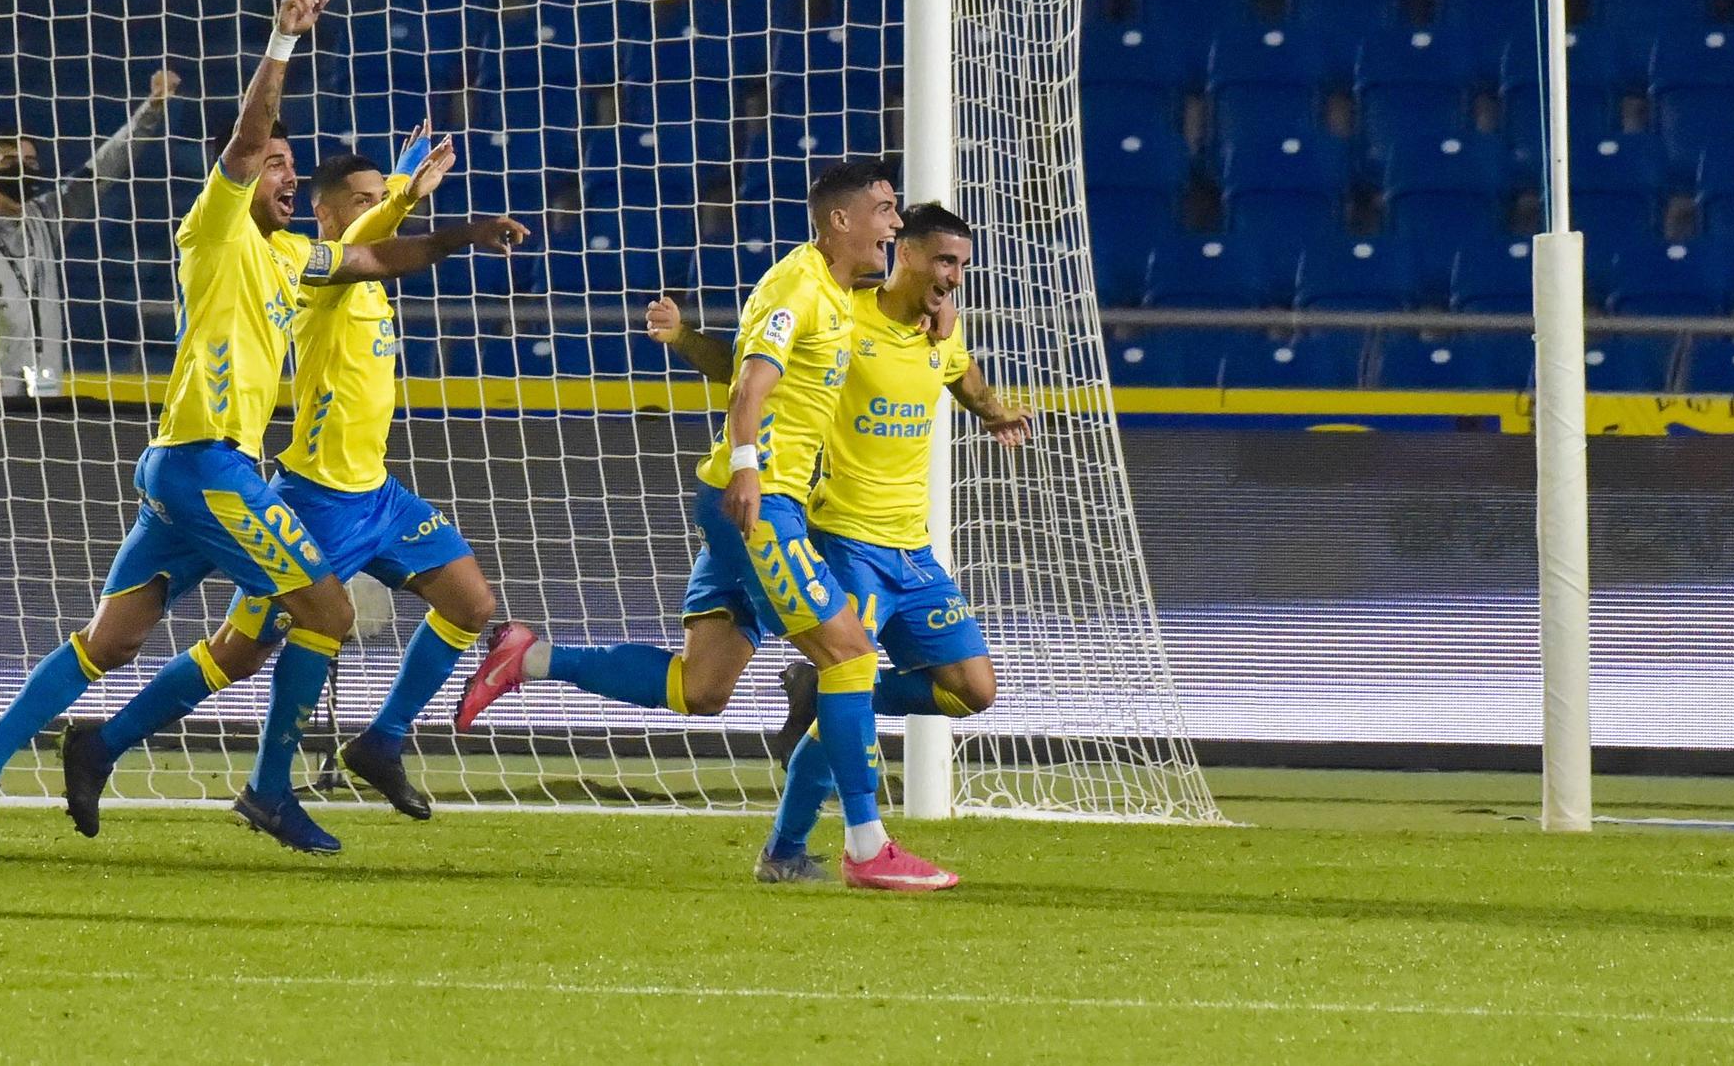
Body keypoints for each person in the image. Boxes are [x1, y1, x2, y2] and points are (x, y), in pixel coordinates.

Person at [0, 0, 528, 867]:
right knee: (322, 611)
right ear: (243, 174)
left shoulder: (293, 257)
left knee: (116, 637)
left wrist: (459, 232)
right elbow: (250, 140)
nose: (286, 175)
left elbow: (372, 254)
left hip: (191, 465)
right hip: (212, 466)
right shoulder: (216, 225)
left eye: (295, 166)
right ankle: (272, 787)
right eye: (278, 167)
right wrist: (283, 42)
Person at [455, 161, 961, 891]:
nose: (894, 224)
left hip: (743, 498)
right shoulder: (796, 288)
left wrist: (933, 315)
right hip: (759, 503)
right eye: (884, 210)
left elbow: (751, 354)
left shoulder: (838, 289)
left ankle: (528, 657)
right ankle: (867, 845)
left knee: (702, 687)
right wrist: (751, 467)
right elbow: (752, 382)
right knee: (847, 656)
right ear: (842, 221)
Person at [58, 133, 510, 853]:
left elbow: (379, 243)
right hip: (315, 502)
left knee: (471, 602)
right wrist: (399, 197)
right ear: (327, 216)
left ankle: (381, 741)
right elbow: (370, 239)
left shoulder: (369, 284)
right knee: (235, 653)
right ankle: (113, 746)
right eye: (359, 201)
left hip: (379, 497)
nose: (375, 209)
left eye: (377, 197)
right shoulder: (315, 277)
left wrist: (401, 200)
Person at [644, 202, 1033, 882]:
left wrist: (992, 407)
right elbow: (747, 369)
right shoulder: (843, 312)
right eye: (944, 261)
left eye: (962, 265)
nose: (954, 277)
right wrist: (683, 339)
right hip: (847, 541)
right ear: (905, 253)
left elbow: (958, 370)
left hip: (913, 551)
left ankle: (813, 691)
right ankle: (789, 847)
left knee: (973, 689)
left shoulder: (942, 325)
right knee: (844, 670)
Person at [0, 69, 180, 399]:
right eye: (10, 161)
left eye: (30, 161)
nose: (22, 170)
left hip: (43, 394)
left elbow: (102, 168)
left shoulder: (43, 218)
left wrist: (151, 109)